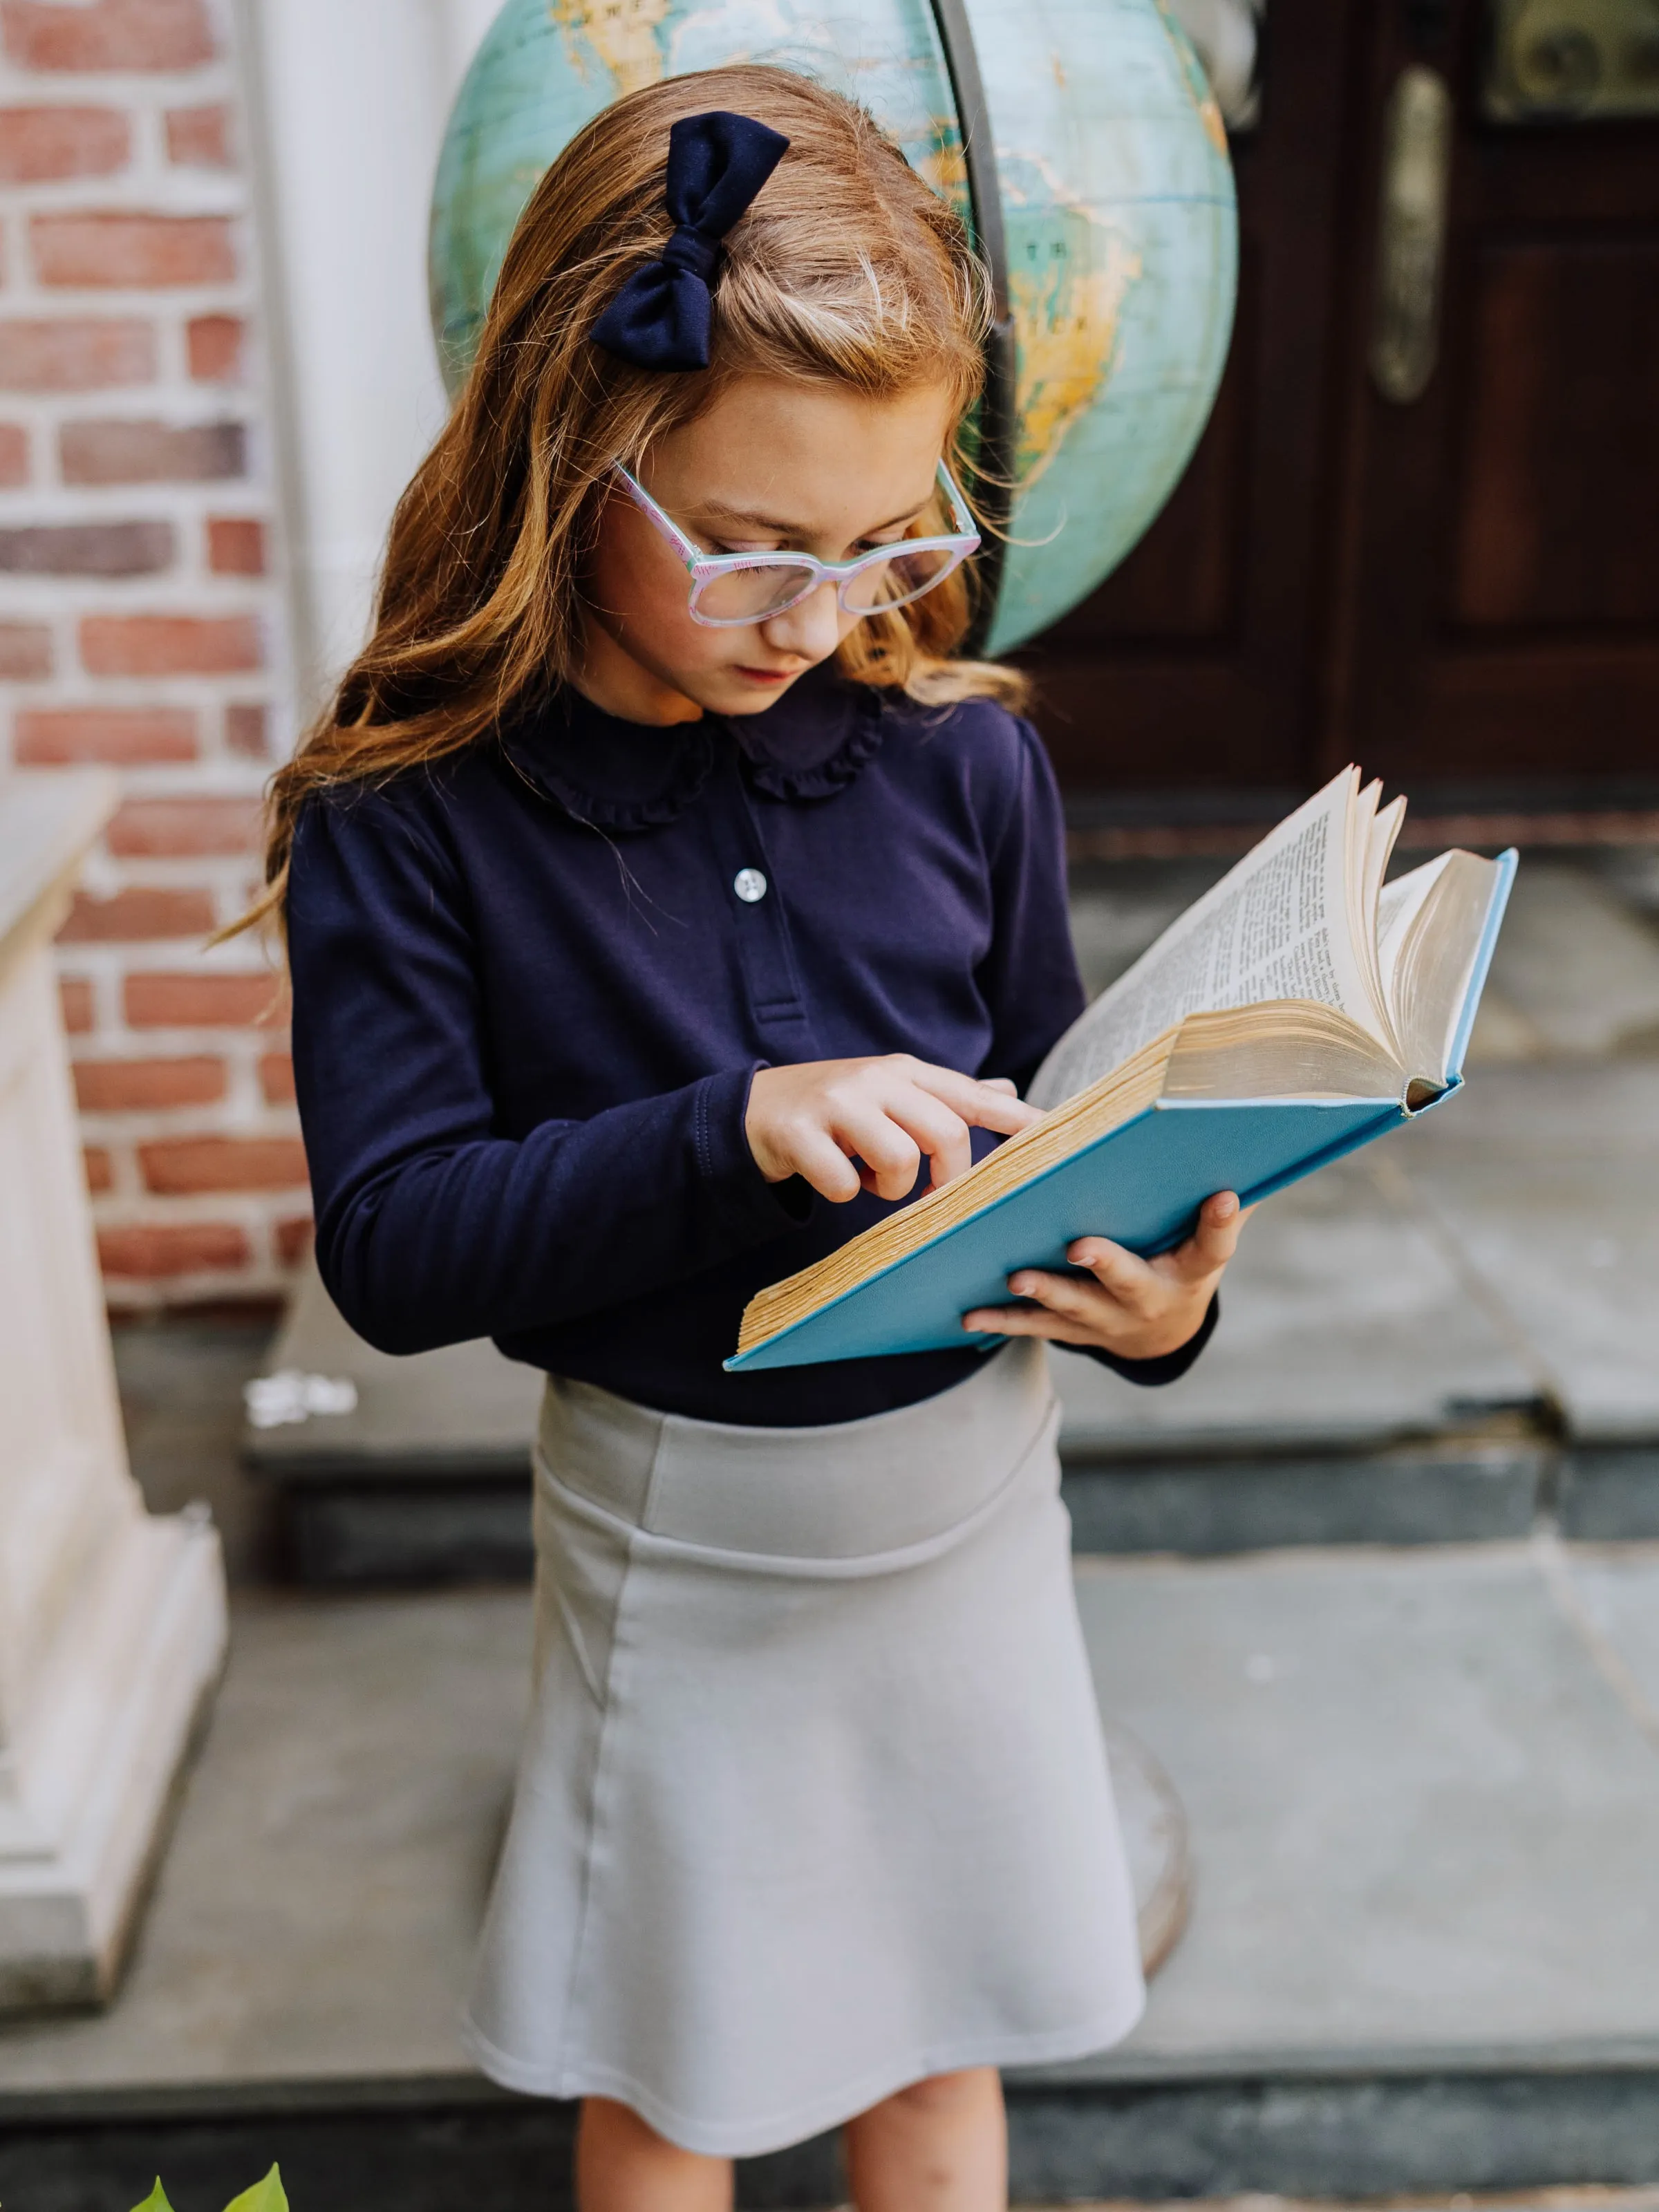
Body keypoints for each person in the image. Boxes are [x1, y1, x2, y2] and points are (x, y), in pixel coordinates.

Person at [261, 66, 1249, 2212]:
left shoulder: (963, 771)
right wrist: (736, 1129)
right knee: (684, 2076)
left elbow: (1049, 1124)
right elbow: (402, 1248)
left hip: (973, 1514)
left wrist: (1154, 1298)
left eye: (889, 539)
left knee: (935, 2037)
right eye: (759, 548)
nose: (827, 614)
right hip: (684, 1549)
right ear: (574, 453)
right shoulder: (408, 820)